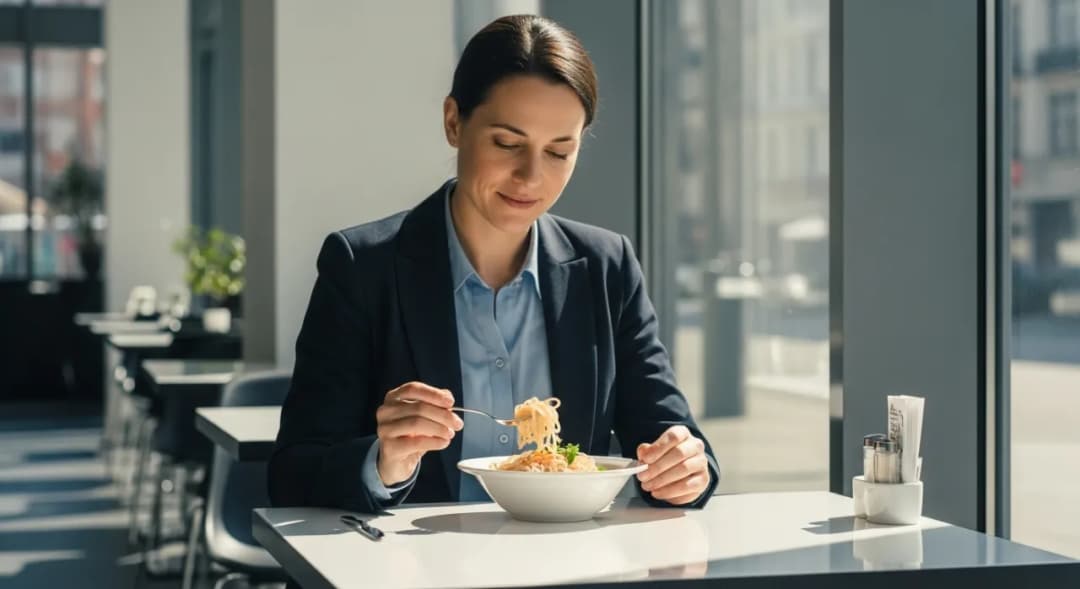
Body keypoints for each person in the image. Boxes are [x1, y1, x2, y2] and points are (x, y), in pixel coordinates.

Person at [268, 14, 719, 513]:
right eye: (507, 143)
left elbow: (670, 436)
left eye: (558, 152)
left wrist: (685, 470)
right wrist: (384, 461)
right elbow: (292, 473)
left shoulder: (606, 266)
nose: (530, 177)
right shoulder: (362, 266)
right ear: (454, 122)